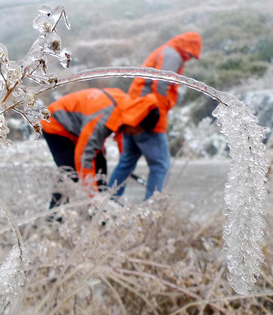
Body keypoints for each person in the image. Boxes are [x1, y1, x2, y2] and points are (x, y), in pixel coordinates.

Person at [109, 31, 202, 200]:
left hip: (134, 114)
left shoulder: (165, 51)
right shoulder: (173, 55)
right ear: (187, 48)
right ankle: (151, 210)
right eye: (190, 55)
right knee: (161, 165)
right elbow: (161, 84)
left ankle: (108, 202)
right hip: (148, 116)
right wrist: (156, 116)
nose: (189, 59)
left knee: (126, 162)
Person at [41, 88, 158, 210]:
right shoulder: (103, 118)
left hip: (77, 127)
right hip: (55, 122)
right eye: (138, 130)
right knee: (71, 172)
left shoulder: (127, 108)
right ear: (136, 122)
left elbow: (119, 135)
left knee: (100, 163)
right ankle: (55, 215)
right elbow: (85, 156)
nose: (137, 134)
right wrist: (93, 195)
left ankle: (102, 207)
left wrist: (126, 164)